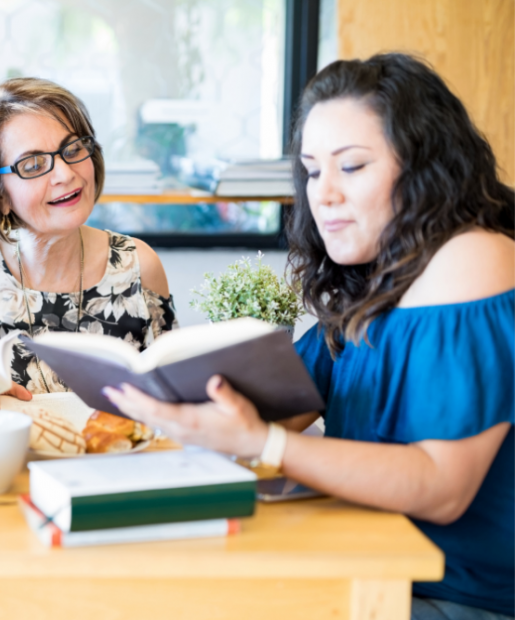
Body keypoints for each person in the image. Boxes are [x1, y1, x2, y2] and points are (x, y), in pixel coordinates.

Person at [103, 54, 514, 619]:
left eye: (352, 167)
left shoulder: (474, 257)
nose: (323, 195)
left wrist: (262, 443)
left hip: (451, 595)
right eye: (313, 170)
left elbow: (442, 488)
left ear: (424, 168)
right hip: (373, 562)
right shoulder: (376, 273)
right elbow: (282, 403)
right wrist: (160, 404)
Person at [0, 78, 177, 397]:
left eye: (73, 149)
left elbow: (175, 397)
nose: (66, 174)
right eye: (33, 164)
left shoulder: (138, 264)